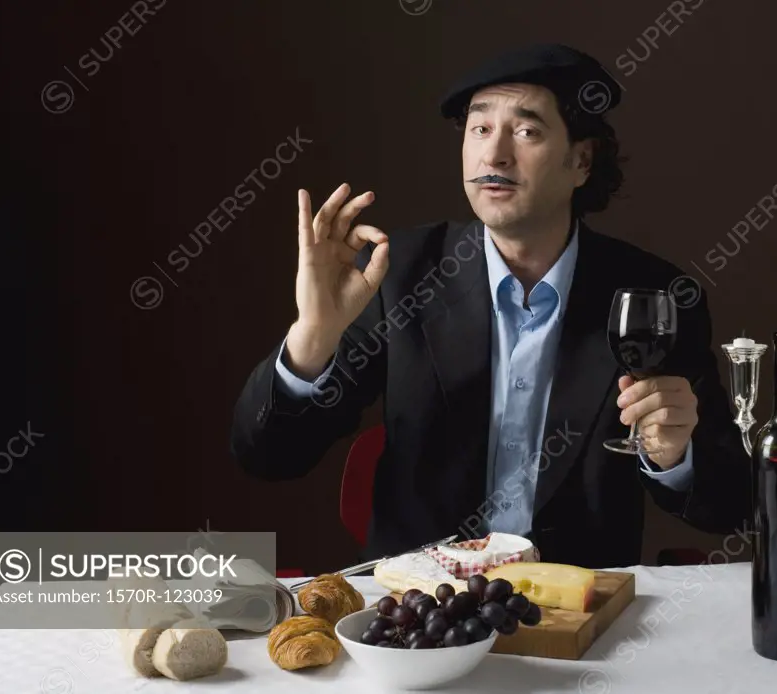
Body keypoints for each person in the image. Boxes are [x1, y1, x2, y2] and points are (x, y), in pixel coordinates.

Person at [231, 43, 750, 569]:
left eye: (526, 131)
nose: (494, 156)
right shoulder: (399, 272)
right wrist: (313, 336)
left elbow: (728, 504)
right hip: (417, 611)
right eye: (480, 130)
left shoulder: (654, 295)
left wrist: (675, 458)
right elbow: (270, 458)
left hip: (580, 611)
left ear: (581, 161)